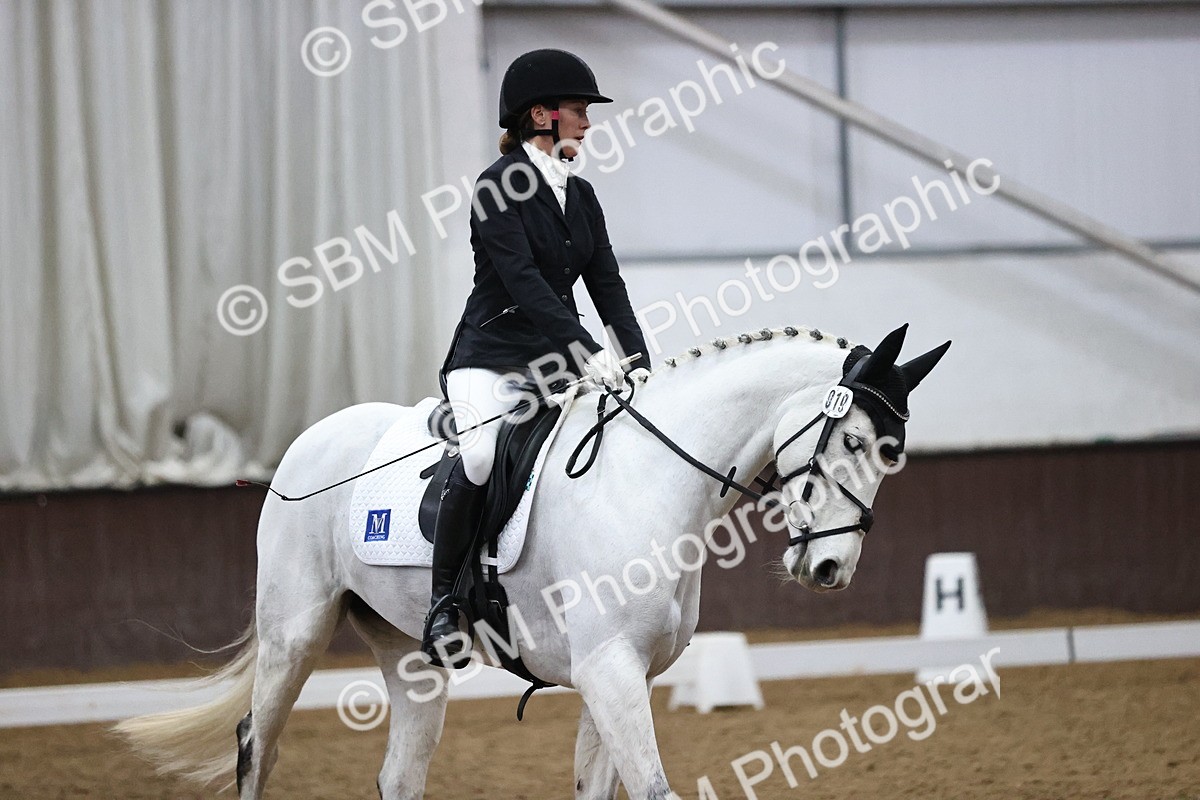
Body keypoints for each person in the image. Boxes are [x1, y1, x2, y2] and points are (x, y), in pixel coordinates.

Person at [422, 49, 652, 664]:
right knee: (478, 455)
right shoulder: (497, 186)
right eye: (579, 110)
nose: (588, 122)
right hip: (491, 356)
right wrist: (586, 349)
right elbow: (522, 282)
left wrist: (638, 361)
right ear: (543, 115)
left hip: (558, 362)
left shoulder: (583, 196)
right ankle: (444, 603)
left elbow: (607, 286)